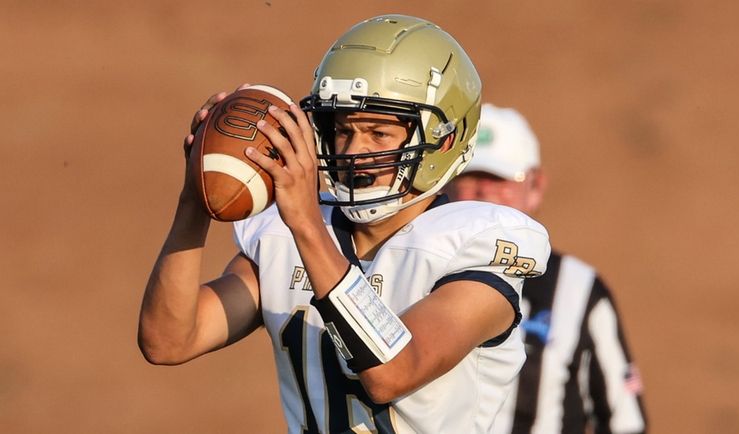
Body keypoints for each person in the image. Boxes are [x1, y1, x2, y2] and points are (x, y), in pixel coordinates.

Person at [138, 15, 551, 434]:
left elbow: (392, 373)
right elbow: (168, 341)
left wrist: (304, 223)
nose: (356, 152)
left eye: (378, 133)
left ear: (443, 139)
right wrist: (194, 202)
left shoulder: (478, 243)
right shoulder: (286, 235)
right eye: (343, 130)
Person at [444, 103, 647, 434]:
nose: (483, 192)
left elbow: (625, 422)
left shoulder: (578, 289)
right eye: (469, 177)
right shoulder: (410, 269)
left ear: (535, 187)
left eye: (500, 179)